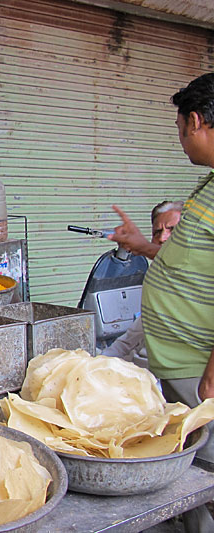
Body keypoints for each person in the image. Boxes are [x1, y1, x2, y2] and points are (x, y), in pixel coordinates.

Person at [109, 74, 214, 533]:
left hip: (199, 371)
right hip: (177, 364)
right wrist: (143, 245)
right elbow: (192, 262)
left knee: (208, 473)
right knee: (187, 475)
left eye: (178, 128)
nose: (180, 140)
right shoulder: (207, 187)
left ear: (195, 121)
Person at [101, 200, 183, 363]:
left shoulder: (200, 280)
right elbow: (132, 336)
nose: (162, 238)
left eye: (172, 229)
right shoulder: (158, 280)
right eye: (157, 232)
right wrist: (98, 361)